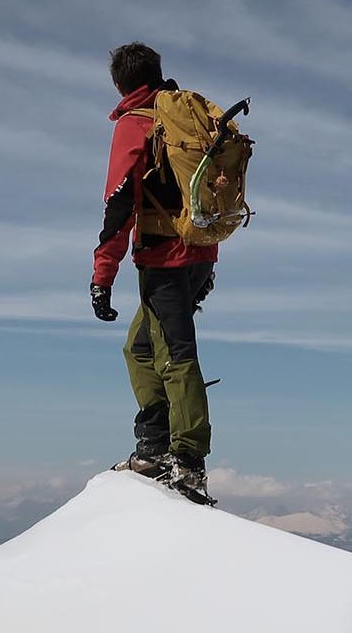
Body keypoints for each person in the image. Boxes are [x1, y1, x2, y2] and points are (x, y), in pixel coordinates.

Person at [93, 42, 218, 502]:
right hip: (201, 253)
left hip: (165, 258)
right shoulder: (188, 114)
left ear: (120, 84)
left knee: (174, 353)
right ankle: (155, 444)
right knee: (140, 346)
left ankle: (185, 461)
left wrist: (102, 275)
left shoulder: (137, 124)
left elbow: (119, 201)